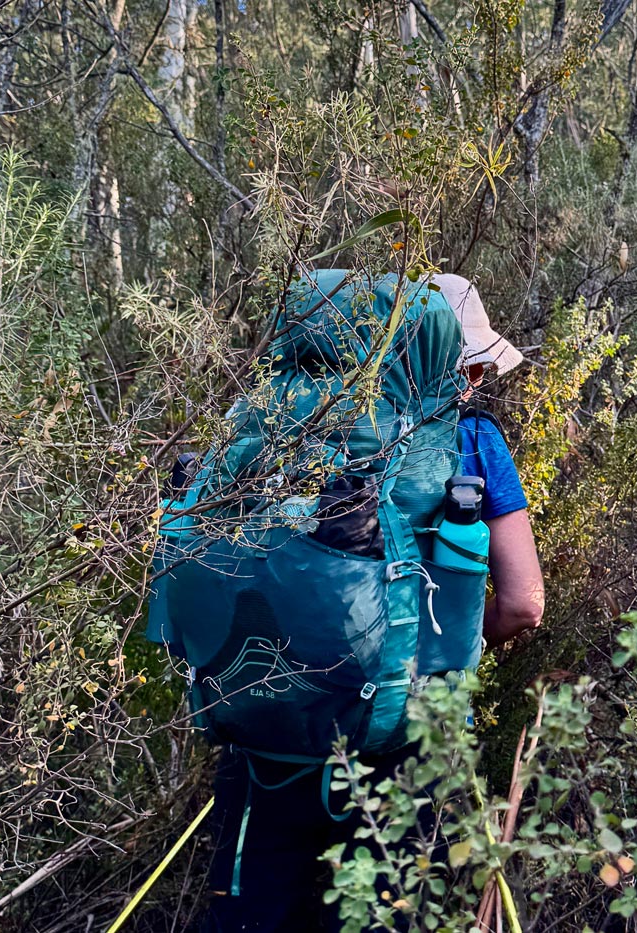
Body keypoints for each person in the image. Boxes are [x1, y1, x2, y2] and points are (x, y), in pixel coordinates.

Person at [199, 273, 544, 933]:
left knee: (251, 916)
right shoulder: (473, 440)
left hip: (269, 727)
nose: (476, 381)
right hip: (409, 739)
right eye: (472, 366)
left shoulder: (280, 424)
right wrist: (444, 651)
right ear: (453, 361)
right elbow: (525, 602)